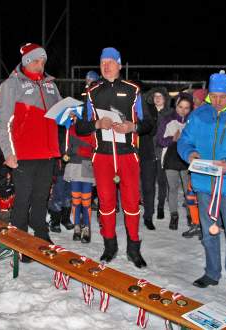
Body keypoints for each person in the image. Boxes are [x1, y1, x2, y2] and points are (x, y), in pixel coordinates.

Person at [177, 71, 226, 301]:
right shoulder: (200, 114)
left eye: (222, 96)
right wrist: (189, 153)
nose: (217, 101)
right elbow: (185, 141)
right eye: (213, 96)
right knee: (208, 232)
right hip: (204, 184)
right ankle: (212, 273)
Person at [75, 47, 153, 268]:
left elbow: (149, 123)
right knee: (106, 204)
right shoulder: (92, 91)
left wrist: (132, 126)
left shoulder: (133, 90)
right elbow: (80, 127)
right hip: (103, 156)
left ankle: (134, 249)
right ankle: (110, 247)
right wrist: (97, 124)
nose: (106, 66)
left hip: (128, 155)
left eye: (110, 62)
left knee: (131, 204)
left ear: (119, 65)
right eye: (102, 62)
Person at [0, 43, 62, 259]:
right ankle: (21, 239)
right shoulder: (11, 85)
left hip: (47, 153)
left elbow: (59, 112)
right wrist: (9, 153)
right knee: (23, 198)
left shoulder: (51, 84)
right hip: (23, 154)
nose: (40, 64)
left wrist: (69, 115)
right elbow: (3, 122)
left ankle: (40, 231)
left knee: (42, 197)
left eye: (43, 61)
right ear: (26, 62)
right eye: (36, 60)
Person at [156, 92, 192, 230]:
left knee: (189, 189)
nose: (183, 110)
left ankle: (191, 215)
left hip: (187, 160)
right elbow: (160, 140)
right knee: (173, 188)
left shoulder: (192, 121)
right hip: (170, 159)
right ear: (176, 105)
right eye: (180, 106)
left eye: (186, 108)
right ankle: (174, 215)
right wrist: (173, 139)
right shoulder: (167, 120)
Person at [141, 87, 171, 228]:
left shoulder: (170, 114)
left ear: (165, 99)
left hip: (163, 153)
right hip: (148, 152)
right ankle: (148, 214)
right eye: (155, 96)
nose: (157, 98)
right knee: (148, 184)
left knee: (162, 182)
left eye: (160, 96)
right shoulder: (147, 113)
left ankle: (160, 206)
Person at [63, 114, 96, 243]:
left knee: (86, 201)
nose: (75, 119)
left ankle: (87, 228)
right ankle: (77, 227)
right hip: (74, 167)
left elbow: (93, 148)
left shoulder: (91, 130)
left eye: (77, 117)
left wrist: (77, 148)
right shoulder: (70, 129)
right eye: (74, 117)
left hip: (87, 166)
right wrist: (72, 150)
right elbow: (67, 149)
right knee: (76, 200)